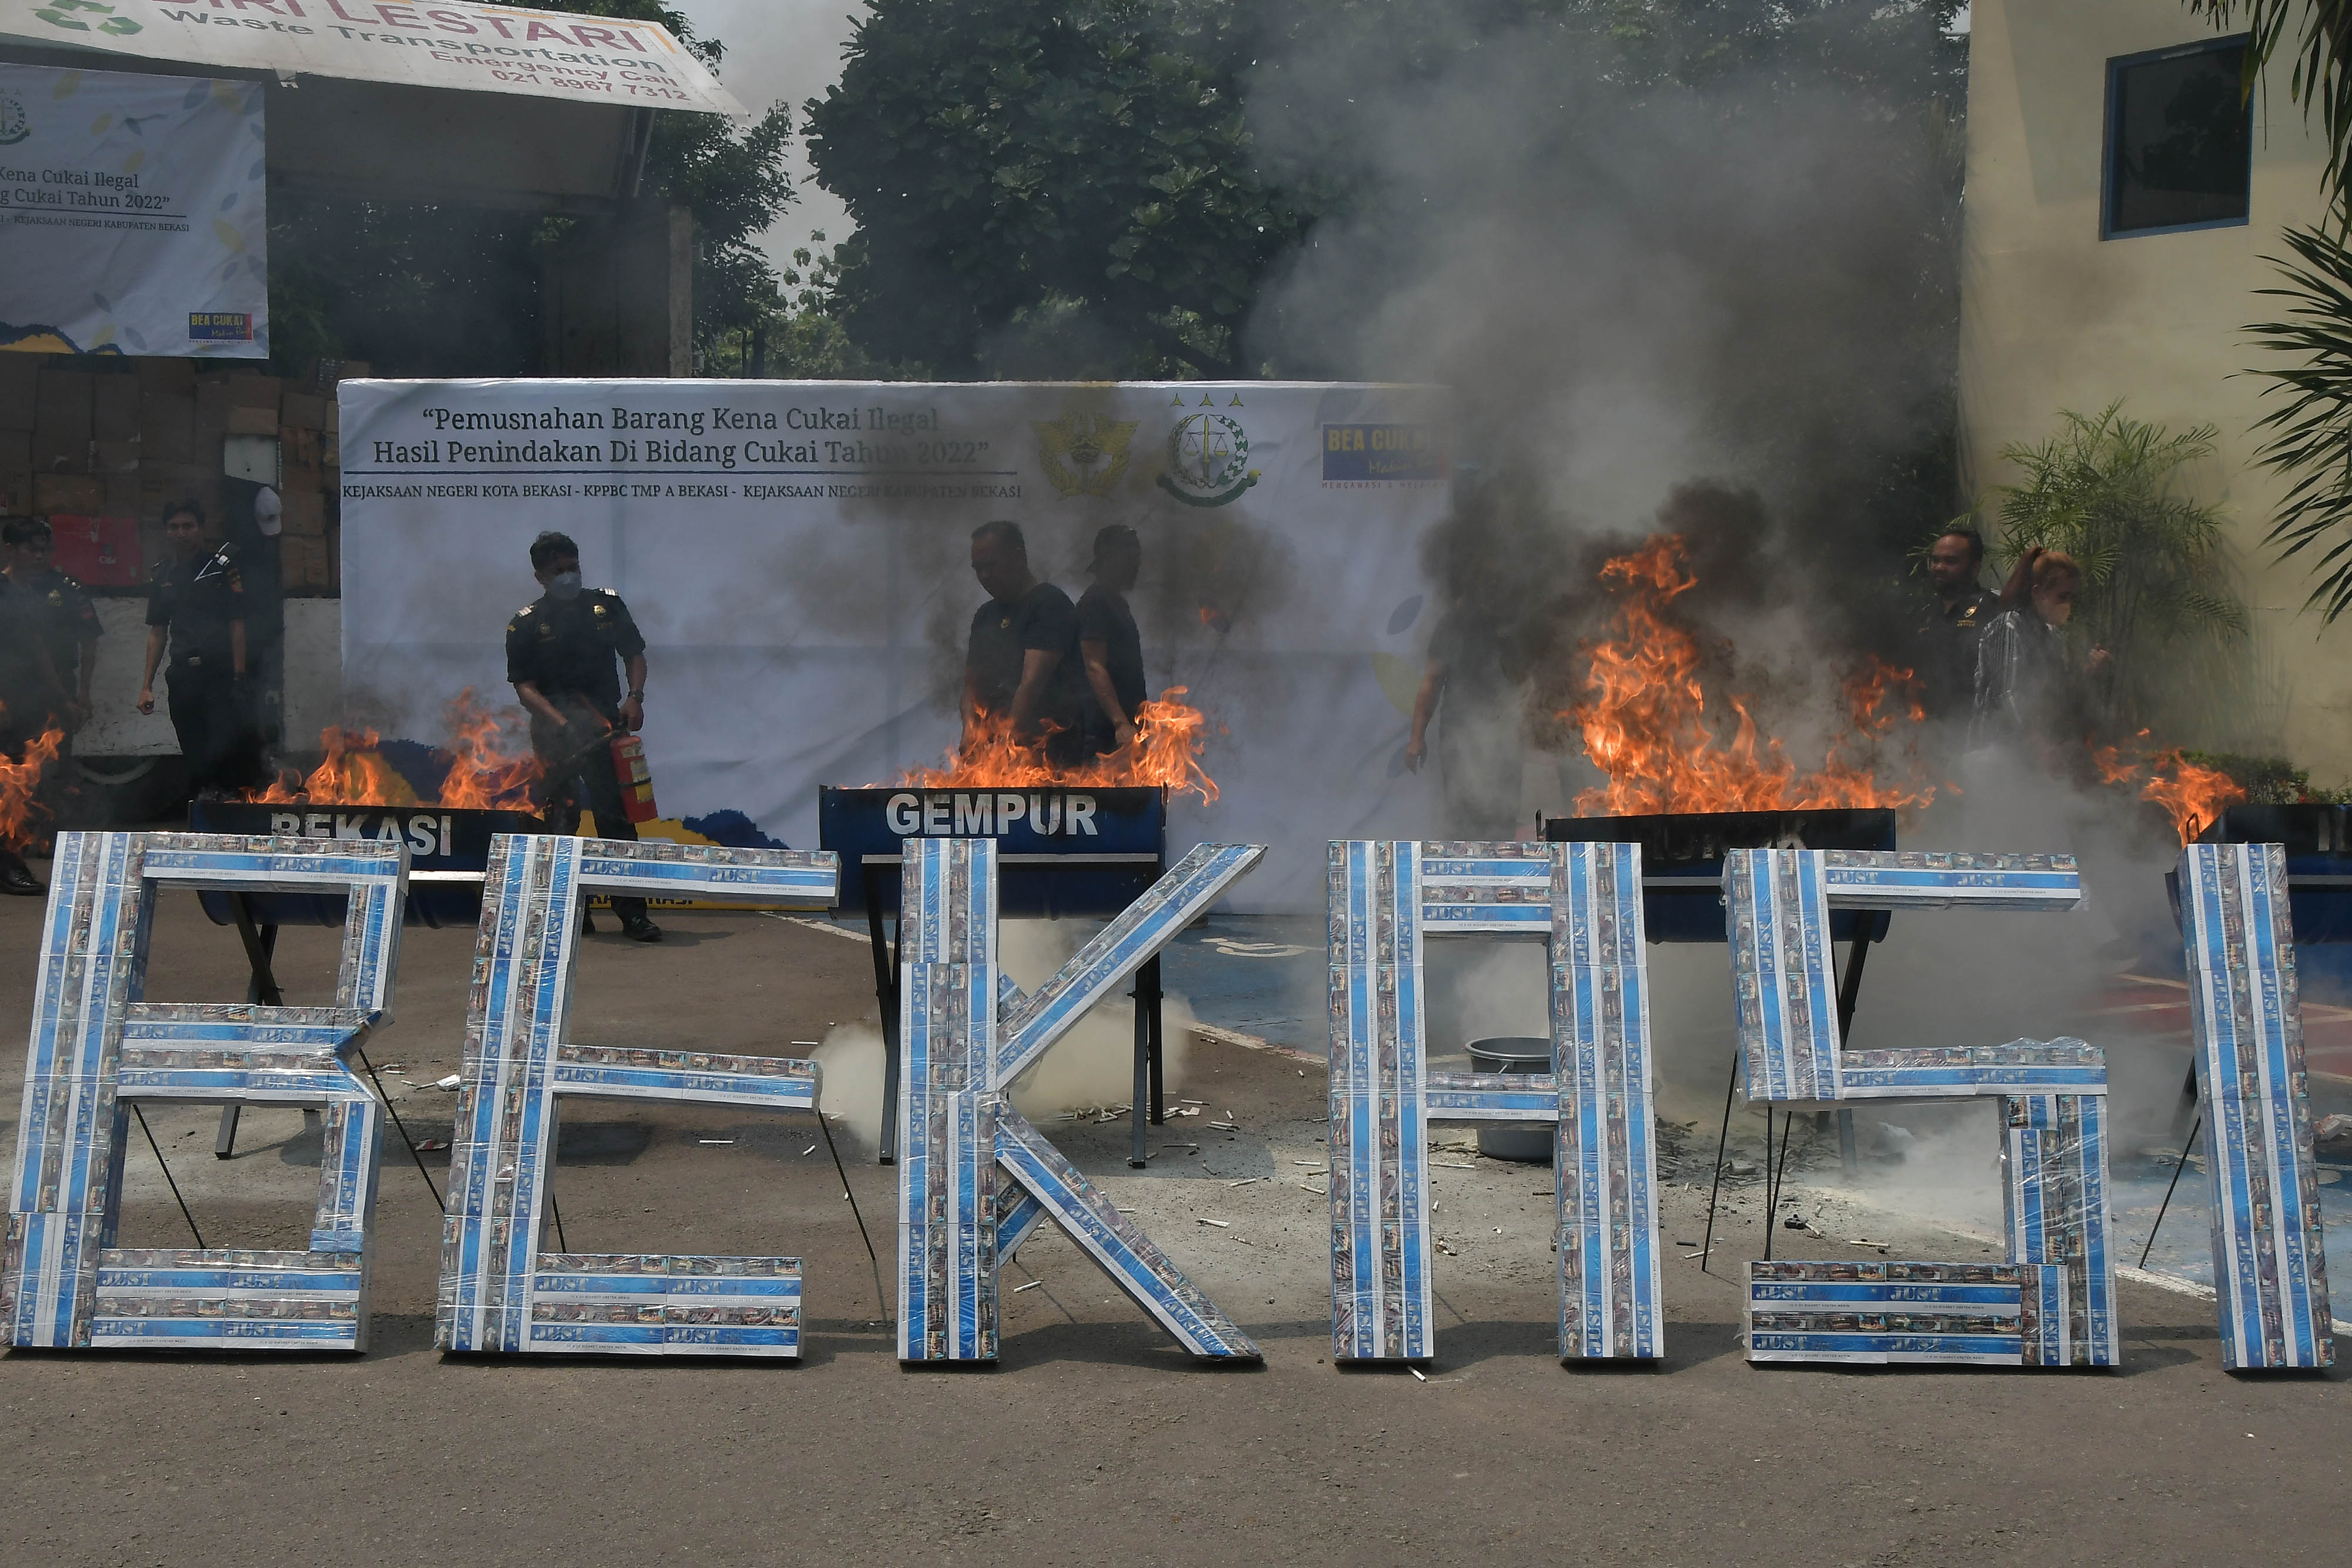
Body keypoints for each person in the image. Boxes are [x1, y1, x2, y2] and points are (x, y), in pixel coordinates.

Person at [506, 530, 661, 943]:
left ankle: (633, 915)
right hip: (554, 737)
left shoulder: (606, 606)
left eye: (573, 567)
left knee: (617, 821)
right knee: (561, 821)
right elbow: (524, 687)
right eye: (558, 570)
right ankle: (571, 912)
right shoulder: (525, 623)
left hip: (604, 731)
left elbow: (634, 655)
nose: (568, 575)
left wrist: (635, 698)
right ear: (540, 576)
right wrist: (559, 722)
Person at [137, 500, 252, 800]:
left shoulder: (221, 569)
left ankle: (228, 807)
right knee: (193, 747)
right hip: (183, 675)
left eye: (188, 526)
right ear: (166, 532)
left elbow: (237, 624)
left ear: (201, 529)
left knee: (223, 747)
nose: (181, 533)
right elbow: (158, 631)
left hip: (220, 673)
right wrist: (147, 686)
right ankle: (201, 810)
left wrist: (239, 678)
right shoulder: (163, 575)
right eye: (174, 527)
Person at [1971, 548, 2112, 767]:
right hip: (1998, 755)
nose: (2068, 605)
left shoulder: (2052, 635)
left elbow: (2055, 695)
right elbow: (2008, 696)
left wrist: (2088, 671)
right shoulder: (2010, 625)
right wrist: (2041, 748)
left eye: (2072, 598)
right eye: (2062, 597)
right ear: (2038, 593)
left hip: (2032, 756)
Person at [1405, 584, 1525, 840]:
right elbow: (1431, 681)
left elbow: (1529, 682)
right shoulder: (1452, 625)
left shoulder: (1515, 624)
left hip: (1506, 735)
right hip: (1460, 734)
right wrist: (1417, 738)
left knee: (1503, 817)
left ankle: (1499, 874)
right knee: (1462, 814)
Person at [963, 520, 1083, 765]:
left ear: (1018, 558)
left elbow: (1031, 684)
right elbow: (970, 686)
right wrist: (970, 731)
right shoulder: (985, 616)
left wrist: (1008, 741)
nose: (985, 576)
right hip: (997, 757)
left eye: (992, 566)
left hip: (1049, 754)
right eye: (978, 569)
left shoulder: (1049, 604)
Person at [1075, 524, 1147, 755]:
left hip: (1124, 731)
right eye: (1129, 557)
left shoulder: (1118, 604)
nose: (1135, 566)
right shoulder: (1095, 603)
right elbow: (1094, 665)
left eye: (1136, 558)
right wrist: (1120, 723)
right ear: (1109, 558)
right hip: (1102, 735)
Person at [1915, 526, 1999, 723]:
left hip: (1972, 732)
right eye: (1935, 560)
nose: (1939, 567)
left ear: (1975, 568)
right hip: (1922, 730)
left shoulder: (1994, 611)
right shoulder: (1923, 614)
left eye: (1951, 561)